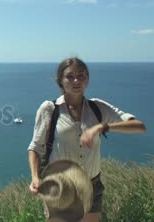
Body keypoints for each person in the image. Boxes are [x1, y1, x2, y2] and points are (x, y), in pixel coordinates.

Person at [27, 57, 146, 221]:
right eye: (70, 76)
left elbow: (139, 126)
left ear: (87, 79)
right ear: (60, 81)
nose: (76, 81)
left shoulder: (98, 108)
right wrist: (35, 177)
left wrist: (102, 127)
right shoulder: (49, 109)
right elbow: (35, 147)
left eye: (81, 75)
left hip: (92, 184)